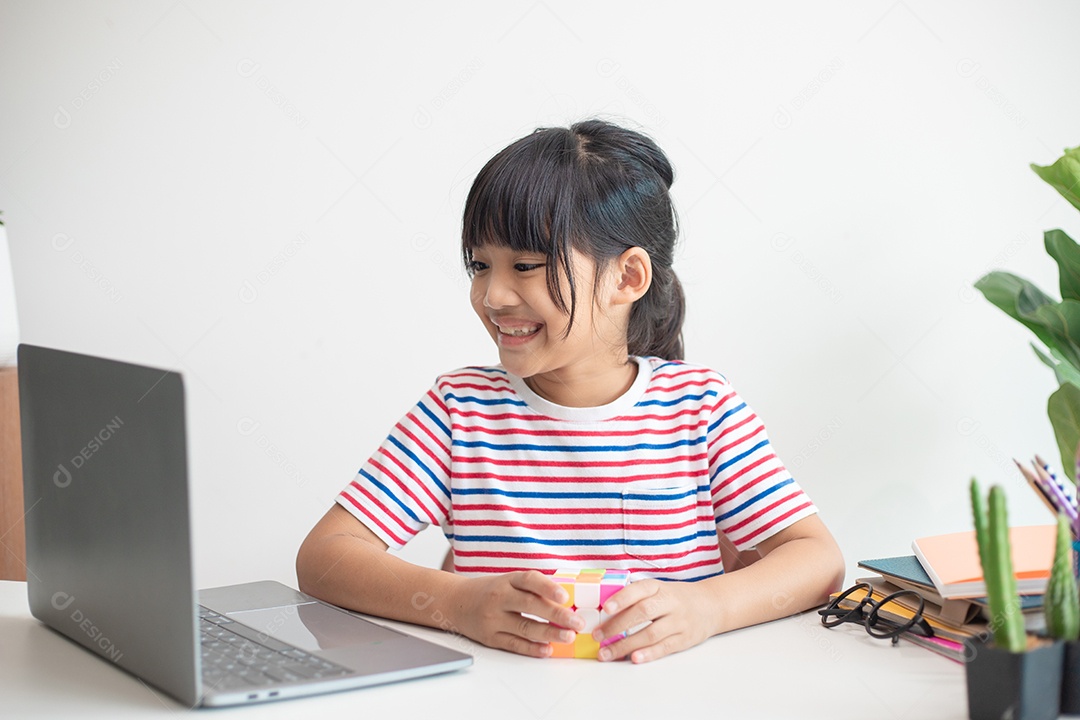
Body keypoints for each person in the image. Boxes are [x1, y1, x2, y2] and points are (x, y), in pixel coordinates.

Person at [296, 119, 845, 664]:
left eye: (526, 265)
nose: (492, 295)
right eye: (480, 265)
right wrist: (458, 603)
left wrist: (708, 607)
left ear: (627, 278)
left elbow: (816, 558)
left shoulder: (700, 408)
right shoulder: (458, 411)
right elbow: (324, 558)